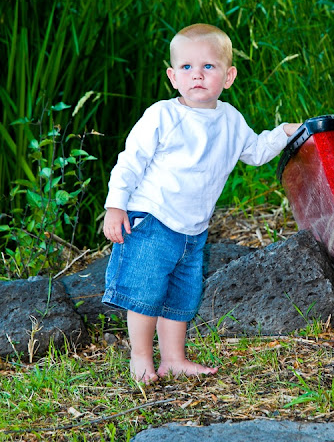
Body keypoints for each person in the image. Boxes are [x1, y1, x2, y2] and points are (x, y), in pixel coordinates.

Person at [102, 23, 301, 384]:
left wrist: (283, 133)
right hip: (152, 218)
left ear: (228, 76)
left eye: (209, 67)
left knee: (181, 297)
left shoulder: (230, 120)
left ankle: (174, 358)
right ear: (173, 76)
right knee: (145, 293)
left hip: (193, 229)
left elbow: (255, 152)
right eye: (187, 68)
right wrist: (116, 206)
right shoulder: (162, 115)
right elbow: (130, 161)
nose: (198, 75)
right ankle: (141, 358)